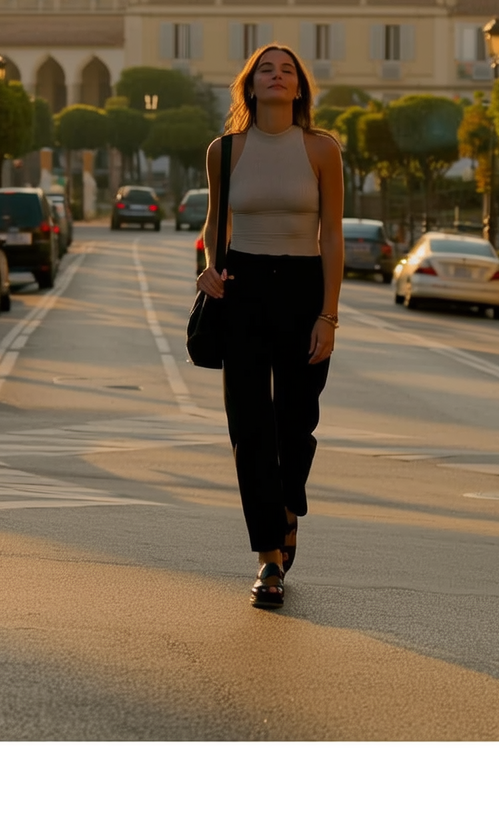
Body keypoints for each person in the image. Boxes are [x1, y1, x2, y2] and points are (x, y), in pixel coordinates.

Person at [195, 42, 345, 610]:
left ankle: (287, 508)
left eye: (287, 70)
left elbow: (331, 235)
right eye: (266, 69)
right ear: (250, 86)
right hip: (245, 290)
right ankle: (269, 559)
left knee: (296, 421)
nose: (277, 76)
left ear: (300, 87)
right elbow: (215, 224)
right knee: (250, 425)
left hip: (304, 290)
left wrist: (328, 315)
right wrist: (208, 270)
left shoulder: (322, 150)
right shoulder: (224, 150)